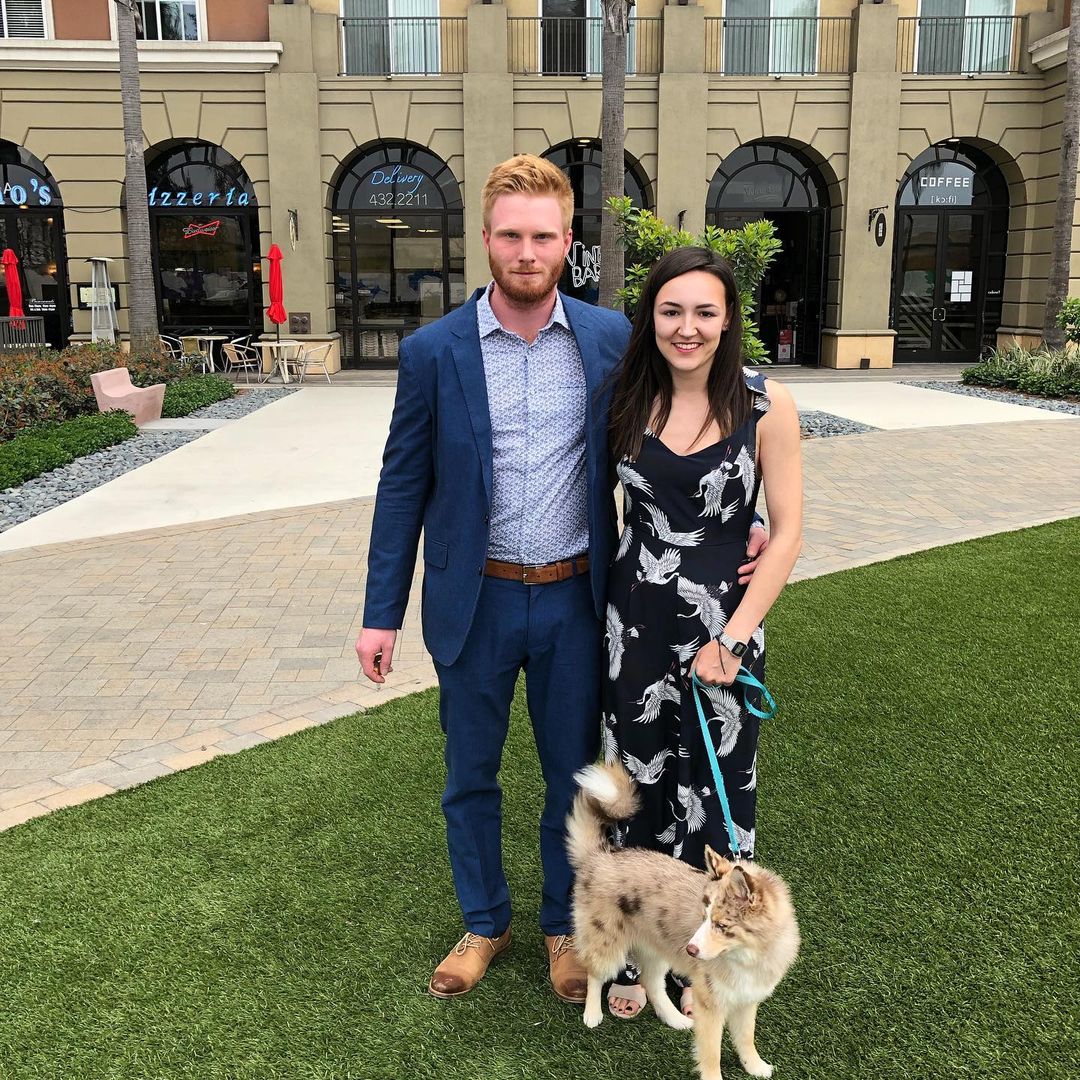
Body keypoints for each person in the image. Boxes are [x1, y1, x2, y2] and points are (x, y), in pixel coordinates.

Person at [356, 156, 770, 1004]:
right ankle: (483, 922)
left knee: (571, 780)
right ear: (487, 240)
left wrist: (745, 521)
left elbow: (703, 409)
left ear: (566, 242)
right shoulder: (433, 353)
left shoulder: (612, 339)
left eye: (542, 235)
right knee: (469, 775)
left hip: (582, 601)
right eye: (510, 234)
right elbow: (402, 485)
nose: (526, 250)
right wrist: (379, 614)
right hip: (474, 601)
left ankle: (560, 929)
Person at [601, 246, 803, 1020]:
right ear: (651, 318)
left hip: (725, 623)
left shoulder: (766, 404)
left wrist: (737, 635)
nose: (688, 328)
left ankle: (703, 952)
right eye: (671, 311)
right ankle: (632, 953)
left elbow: (785, 533)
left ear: (728, 320)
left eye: (705, 312)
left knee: (714, 793)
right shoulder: (625, 397)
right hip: (634, 620)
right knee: (638, 780)